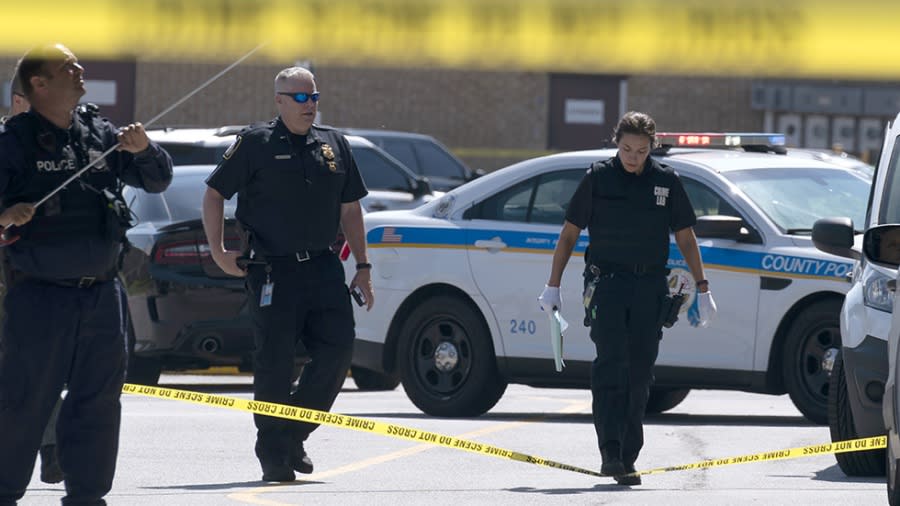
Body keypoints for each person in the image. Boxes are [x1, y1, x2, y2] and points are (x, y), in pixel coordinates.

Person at [0, 43, 173, 505]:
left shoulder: (98, 132)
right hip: (39, 297)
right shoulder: (12, 142)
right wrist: (5, 215)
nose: (80, 72)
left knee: (97, 403)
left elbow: (156, 180)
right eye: (68, 67)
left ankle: (88, 495)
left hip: (101, 295)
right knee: (24, 402)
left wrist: (146, 149)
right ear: (38, 84)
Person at [202, 66, 373, 482]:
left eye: (314, 97)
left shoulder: (334, 145)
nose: (309, 105)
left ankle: (292, 434)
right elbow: (214, 193)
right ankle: (273, 452)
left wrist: (363, 267)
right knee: (275, 363)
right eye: (299, 98)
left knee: (338, 351)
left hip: (322, 267)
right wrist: (220, 251)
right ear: (279, 100)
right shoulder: (255, 143)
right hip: (272, 271)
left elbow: (350, 210)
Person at [538, 111, 716, 486]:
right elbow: (569, 234)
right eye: (626, 149)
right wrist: (552, 285)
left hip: (650, 287)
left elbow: (685, 236)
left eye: (640, 150)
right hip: (607, 286)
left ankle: (629, 456)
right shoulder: (598, 178)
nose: (633, 157)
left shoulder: (666, 181)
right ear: (616, 144)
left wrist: (703, 287)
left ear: (652, 147)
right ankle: (610, 451)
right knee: (610, 366)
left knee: (640, 372)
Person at [1, 69, 66, 487]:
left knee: (37, 369)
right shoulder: (8, 146)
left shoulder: (55, 146)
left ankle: (51, 447)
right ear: (21, 102)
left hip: (33, 281)